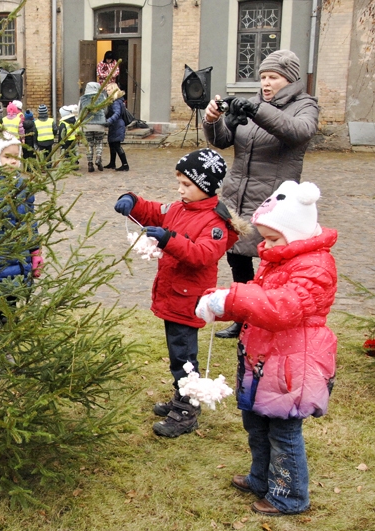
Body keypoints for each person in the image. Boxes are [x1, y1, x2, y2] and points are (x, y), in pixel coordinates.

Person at [195, 180, 336, 516]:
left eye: (273, 238)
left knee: (283, 433)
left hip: (293, 366)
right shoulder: (281, 259)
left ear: (296, 232)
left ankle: (290, 495)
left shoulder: (315, 267)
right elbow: (258, 300)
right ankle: (261, 478)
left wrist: (234, 298)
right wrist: (222, 304)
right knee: (256, 425)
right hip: (264, 360)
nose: (266, 245)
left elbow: (283, 307)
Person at [114, 148, 245, 437]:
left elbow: (202, 255)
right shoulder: (178, 208)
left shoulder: (215, 223)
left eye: (186, 184)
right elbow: (153, 211)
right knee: (177, 354)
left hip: (188, 300)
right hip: (173, 295)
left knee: (184, 357)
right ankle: (181, 396)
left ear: (205, 185)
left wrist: (168, 239)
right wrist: (132, 201)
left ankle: (187, 410)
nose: (180, 189)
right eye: (179, 183)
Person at [203, 49, 319, 340]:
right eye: (263, 77)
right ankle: (243, 317)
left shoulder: (304, 105)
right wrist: (214, 120)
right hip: (238, 192)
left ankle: (269, 316)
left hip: (275, 199)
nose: (266, 83)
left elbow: (298, 132)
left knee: (273, 259)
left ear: (289, 79)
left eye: (273, 77)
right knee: (237, 255)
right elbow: (223, 140)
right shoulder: (254, 103)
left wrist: (257, 111)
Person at [0, 122, 42, 329]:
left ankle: (9, 332)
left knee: (12, 297)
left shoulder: (21, 185)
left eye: (16, 157)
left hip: (19, 254)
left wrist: (35, 251)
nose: (13, 161)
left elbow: (30, 221)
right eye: (7, 157)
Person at [78, 82, 107, 172]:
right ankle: (98, 157)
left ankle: (90, 163)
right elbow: (105, 110)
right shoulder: (102, 97)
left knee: (89, 144)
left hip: (87, 125)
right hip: (99, 124)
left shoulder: (82, 99)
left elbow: (79, 111)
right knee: (99, 142)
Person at [104, 83, 130, 171]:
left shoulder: (116, 102)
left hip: (117, 125)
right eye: (107, 90)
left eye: (109, 90)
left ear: (114, 90)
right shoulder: (116, 100)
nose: (107, 92)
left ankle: (125, 165)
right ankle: (112, 163)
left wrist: (109, 121)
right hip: (114, 125)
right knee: (112, 144)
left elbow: (117, 113)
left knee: (116, 145)